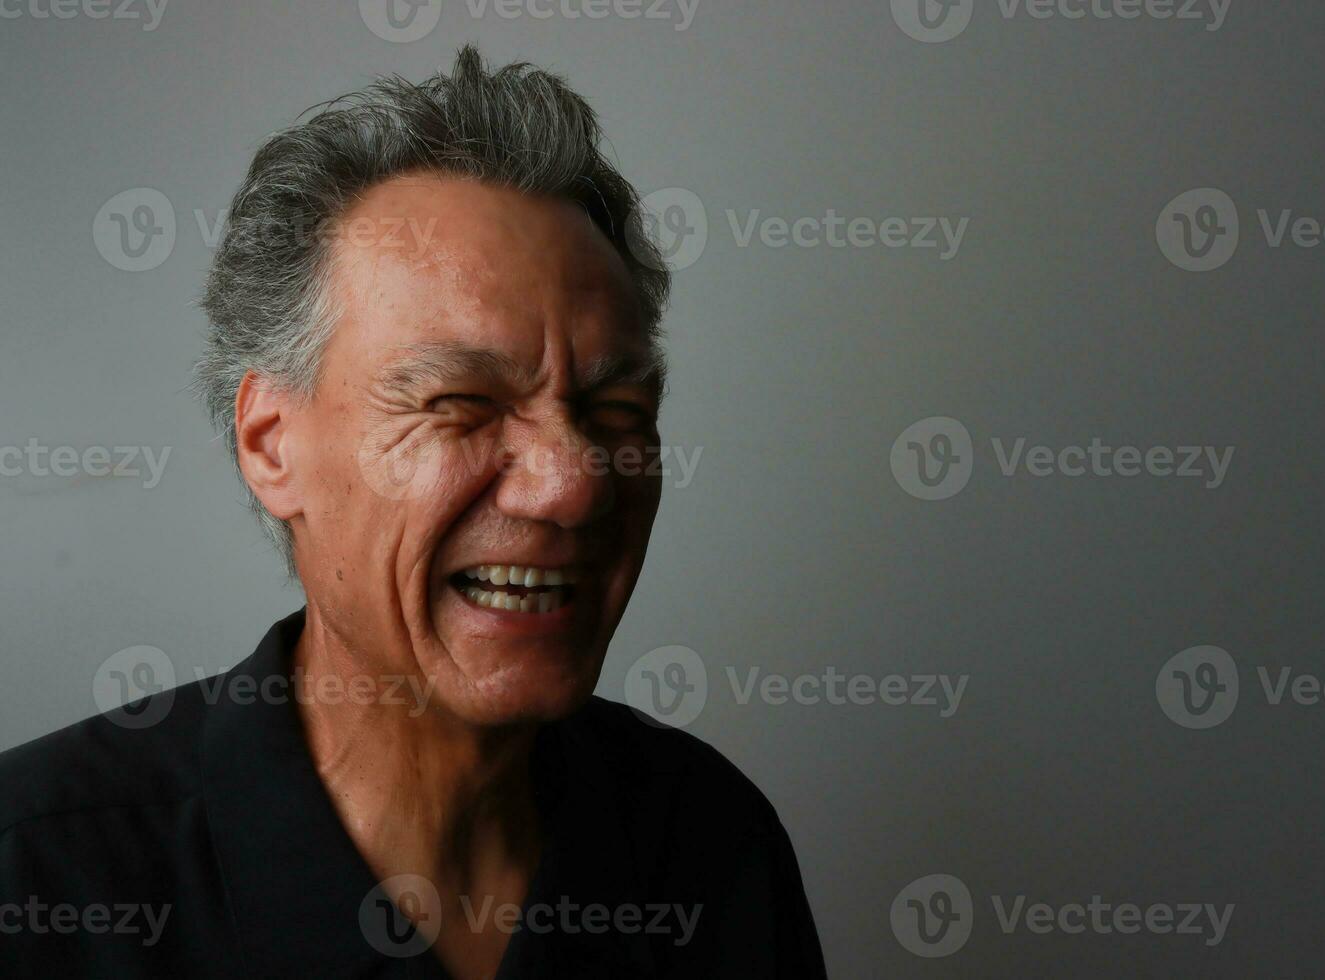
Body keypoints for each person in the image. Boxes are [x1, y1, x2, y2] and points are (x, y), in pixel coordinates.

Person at [0, 46, 826, 979]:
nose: (574, 481)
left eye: (616, 414)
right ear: (271, 445)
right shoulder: (35, 879)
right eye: (460, 405)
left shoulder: (712, 846)